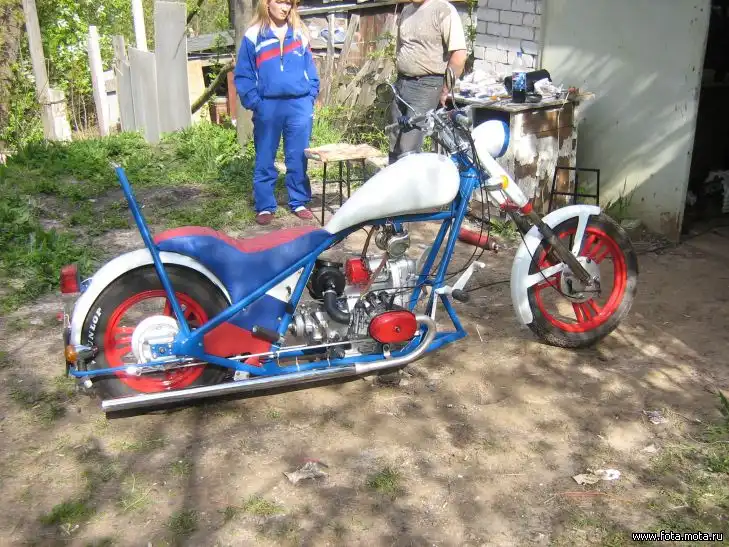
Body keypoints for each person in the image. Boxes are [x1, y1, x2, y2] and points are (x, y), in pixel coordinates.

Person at [234, 0, 320, 225]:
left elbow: (310, 69)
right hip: (268, 106)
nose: (285, 7)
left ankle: (298, 201)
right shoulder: (254, 35)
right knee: (265, 156)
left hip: (299, 105)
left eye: (289, 3)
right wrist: (255, 102)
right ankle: (264, 205)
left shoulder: (299, 34)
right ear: (267, 3)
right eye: (280, 1)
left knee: (298, 156)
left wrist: (310, 96)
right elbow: (243, 74)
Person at [388, 0, 468, 164]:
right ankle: (394, 179)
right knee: (394, 141)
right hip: (402, 83)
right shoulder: (407, 11)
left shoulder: (443, 10)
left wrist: (445, 90)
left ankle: (411, 180)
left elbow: (459, 56)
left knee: (408, 149)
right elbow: (401, 48)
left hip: (427, 85)